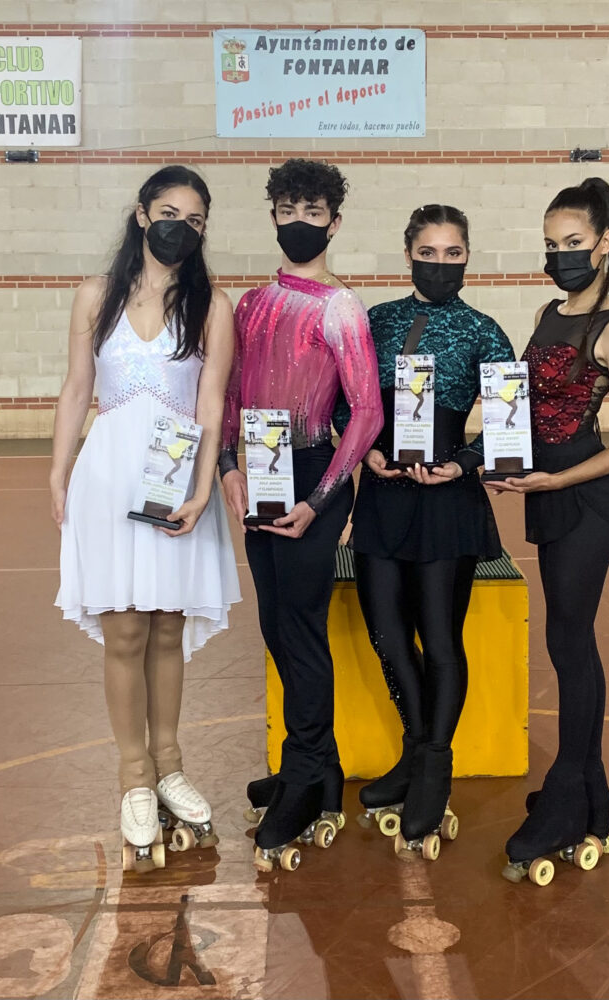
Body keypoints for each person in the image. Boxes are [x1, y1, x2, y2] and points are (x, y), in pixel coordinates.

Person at [51, 166, 240, 872]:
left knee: (165, 628)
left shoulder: (212, 307)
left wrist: (202, 486)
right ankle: (133, 775)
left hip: (174, 481)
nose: (179, 228)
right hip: (107, 479)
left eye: (194, 220)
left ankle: (169, 765)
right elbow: (77, 389)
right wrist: (57, 470)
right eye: (168, 213)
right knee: (125, 630)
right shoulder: (94, 295)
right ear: (140, 215)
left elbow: (212, 403)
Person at [484, 177, 609, 885]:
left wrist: (558, 480)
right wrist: (497, 460)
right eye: (552, 244)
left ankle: (566, 797)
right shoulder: (546, 313)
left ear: (605, 242)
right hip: (545, 492)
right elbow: (526, 409)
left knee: (569, 643)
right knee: (568, 643)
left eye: (574, 243)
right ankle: (590, 797)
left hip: (586, 502)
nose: (561, 256)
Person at [334, 204, 515, 860]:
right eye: (429, 252)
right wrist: (367, 452)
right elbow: (341, 403)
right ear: (409, 253)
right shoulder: (376, 321)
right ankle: (415, 751)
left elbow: (509, 419)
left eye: (453, 253)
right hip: (384, 497)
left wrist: (463, 463)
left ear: (467, 257)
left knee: (439, 639)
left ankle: (434, 767)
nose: (441, 264)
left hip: (447, 503)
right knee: (387, 633)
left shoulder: (484, 331)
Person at [219, 158, 383, 872]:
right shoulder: (250, 305)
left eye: (312, 212)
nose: (298, 222)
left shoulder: (340, 309)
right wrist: (228, 466)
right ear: (273, 217)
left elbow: (367, 413)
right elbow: (230, 394)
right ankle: (317, 768)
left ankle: (304, 776)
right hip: (260, 467)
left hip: (315, 472)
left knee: (302, 628)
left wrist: (322, 500)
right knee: (275, 625)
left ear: (334, 223)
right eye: (287, 210)